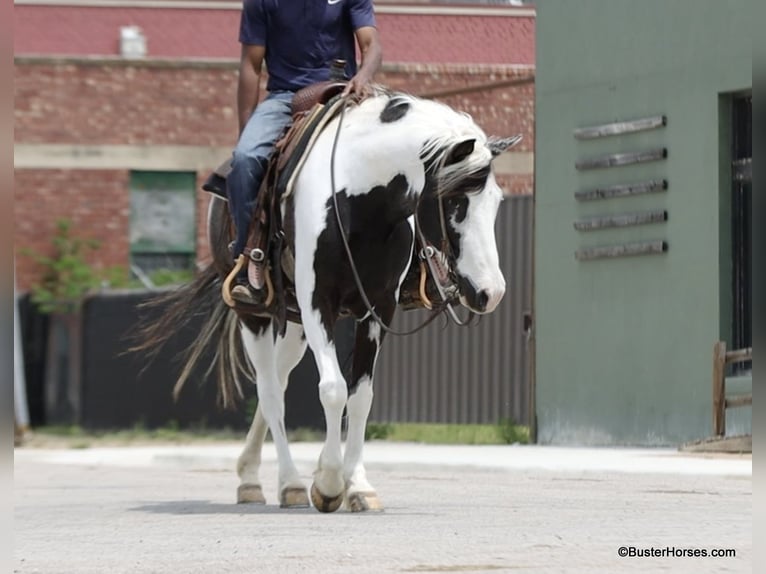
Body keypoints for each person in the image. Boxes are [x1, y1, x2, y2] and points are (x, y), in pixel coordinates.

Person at [227, 0, 383, 304]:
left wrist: (363, 77)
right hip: (285, 98)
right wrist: (245, 131)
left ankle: (418, 258)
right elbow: (250, 65)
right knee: (245, 159)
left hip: (343, 92)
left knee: (399, 151)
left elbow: (371, 44)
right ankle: (250, 254)